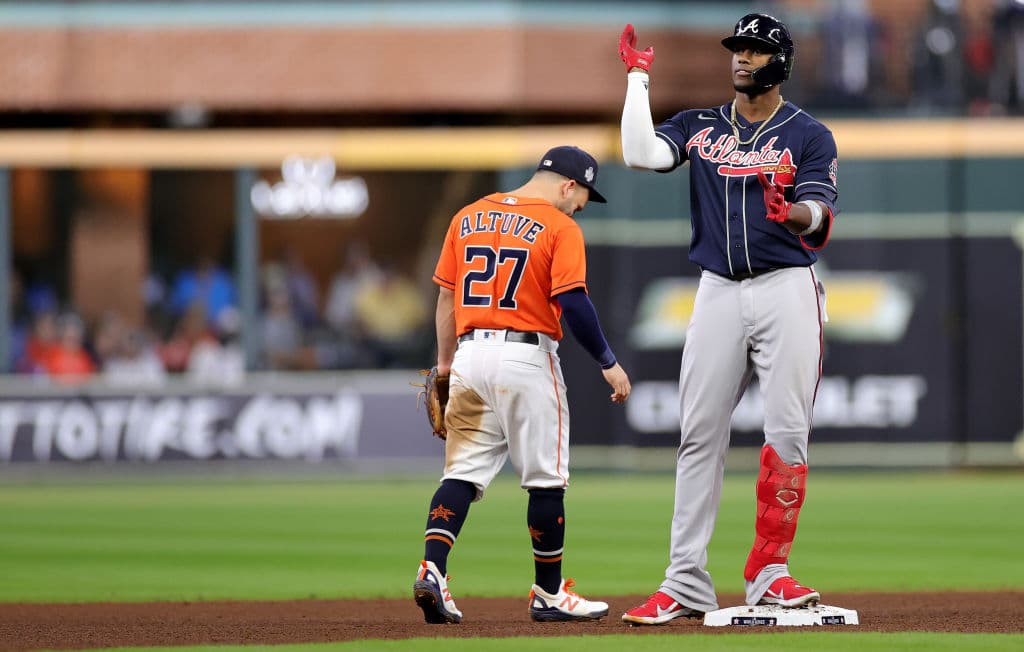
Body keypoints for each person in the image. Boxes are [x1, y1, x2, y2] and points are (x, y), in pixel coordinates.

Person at [617, 14, 838, 625]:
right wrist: (638, 79)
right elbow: (638, 153)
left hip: (786, 286)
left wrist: (790, 210)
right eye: (737, 49)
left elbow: (820, 215)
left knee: (788, 431)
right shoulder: (701, 124)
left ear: (781, 63)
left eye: (756, 50)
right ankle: (684, 581)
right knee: (697, 434)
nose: (742, 58)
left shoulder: (809, 134)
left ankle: (770, 574)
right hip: (717, 289)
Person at [413, 145, 632, 624]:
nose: (580, 207)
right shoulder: (560, 227)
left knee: (462, 475)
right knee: (546, 480)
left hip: (470, 355)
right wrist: (608, 362)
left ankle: (433, 570)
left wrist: (446, 367)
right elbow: (573, 303)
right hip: (526, 357)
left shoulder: (467, 216)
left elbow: (447, 300)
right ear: (567, 184)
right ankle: (549, 594)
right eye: (583, 197)